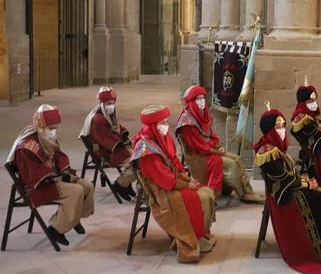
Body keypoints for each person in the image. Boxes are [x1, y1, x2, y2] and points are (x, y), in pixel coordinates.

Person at [255, 104, 321, 274]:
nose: (282, 130)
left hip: (292, 189)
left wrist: (305, 181)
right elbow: (285, 179)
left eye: (282, 126)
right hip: (285, 197)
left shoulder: (276, 148)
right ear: (269, 129)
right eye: (277, 126)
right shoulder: (267, 152)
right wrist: (307, 184)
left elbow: (290, 174)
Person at [132, 105, 216, 263]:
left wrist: (186, 176)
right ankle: (190, 242)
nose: (166, 126)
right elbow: (163, 179)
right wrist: (186, 185)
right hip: (161, 191)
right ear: (153, 125)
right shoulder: (146, 151)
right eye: (162, 122)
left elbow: (174, 160)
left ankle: (200, 235)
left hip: (173, 180)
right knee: (198, 198)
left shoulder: (162, 137)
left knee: (207, 193)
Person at [7, 104, 94, 246]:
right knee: (76, 191)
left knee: (87, 186)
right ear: (41, 125)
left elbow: (58, 157)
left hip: (54, 178)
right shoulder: (26, 146)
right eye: (51, 128)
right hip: (38, 185)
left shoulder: (45, 137)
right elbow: (33, 174)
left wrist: (65, 173)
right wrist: (59, 177)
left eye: (56, 128)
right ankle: (55, 229)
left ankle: (74, 218)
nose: (54, 132)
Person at [176, 85, 263, 203]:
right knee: (232, 165)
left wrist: (218, 145)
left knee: (237, 159)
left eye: (203, 98)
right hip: (199, 156)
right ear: (191, 101)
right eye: (198, 99)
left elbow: (211, 134)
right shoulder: (187, 123)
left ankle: (247, 191)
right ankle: (239, 192)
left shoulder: (202, 113)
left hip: (210, 150)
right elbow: (198, 147)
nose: (202, 102)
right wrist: (217, 151)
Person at [79, 87, 136, 201]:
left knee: (137, 152)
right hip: (105, 151)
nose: (112, 105)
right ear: (101, 103)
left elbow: (116, 127)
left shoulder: (106, 112)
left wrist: (124, 137)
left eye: (113, 103)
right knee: (138, 161)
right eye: (109, 103)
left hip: (112, 146)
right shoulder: (97, 119)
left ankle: (126, 182)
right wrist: (123, 144)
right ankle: (120, 184)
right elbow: (106, 139)